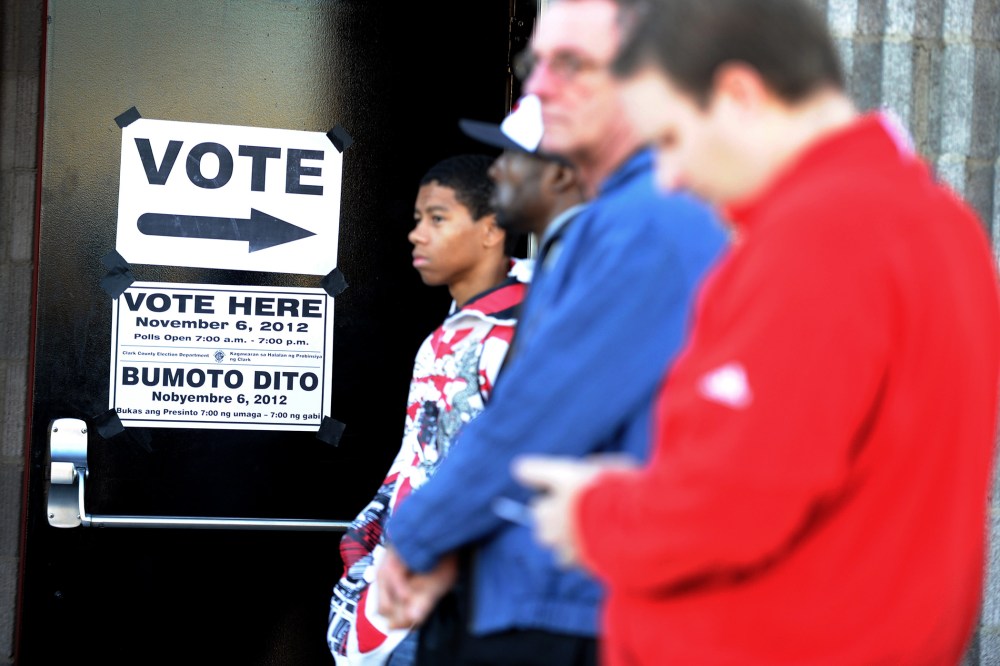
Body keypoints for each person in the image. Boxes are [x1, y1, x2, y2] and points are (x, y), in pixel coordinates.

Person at [513, 1, 1000, 664]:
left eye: (671, 140)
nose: (670, 177)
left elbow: (728, 506)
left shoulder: (818, 237)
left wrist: (593, 513)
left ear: (739, 94)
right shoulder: (940, 222)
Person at [375, 1, 729, 663]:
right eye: (534, 64)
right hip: (542, 590)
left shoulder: (641, 227)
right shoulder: (614, 229)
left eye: (566, 66)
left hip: (565, 599)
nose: (536, 85)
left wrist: (421, 537)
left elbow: (539, 416)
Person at [327, 154, 528, 666]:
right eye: (418, 219)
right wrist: (367, 530)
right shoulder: (446, 335)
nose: (417, 234)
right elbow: (419, 453)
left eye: (438, 218)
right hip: (398, 588)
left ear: (492, 229)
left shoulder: (523, 333)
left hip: (465, 600)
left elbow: (518, 479)